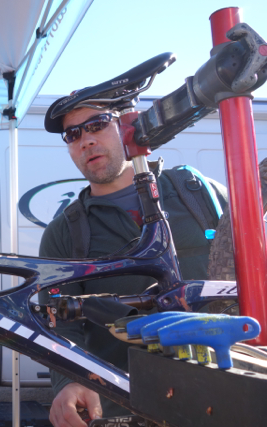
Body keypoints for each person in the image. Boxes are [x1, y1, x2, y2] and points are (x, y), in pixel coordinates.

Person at [39, 96, 228, 427]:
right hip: (126, 405)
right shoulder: (64, 233)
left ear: (126, 126)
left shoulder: (198, 193)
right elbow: (59, 322)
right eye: (73, 134)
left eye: (97, 124)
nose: (87, 140)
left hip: (225, 390)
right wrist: (69, 380)